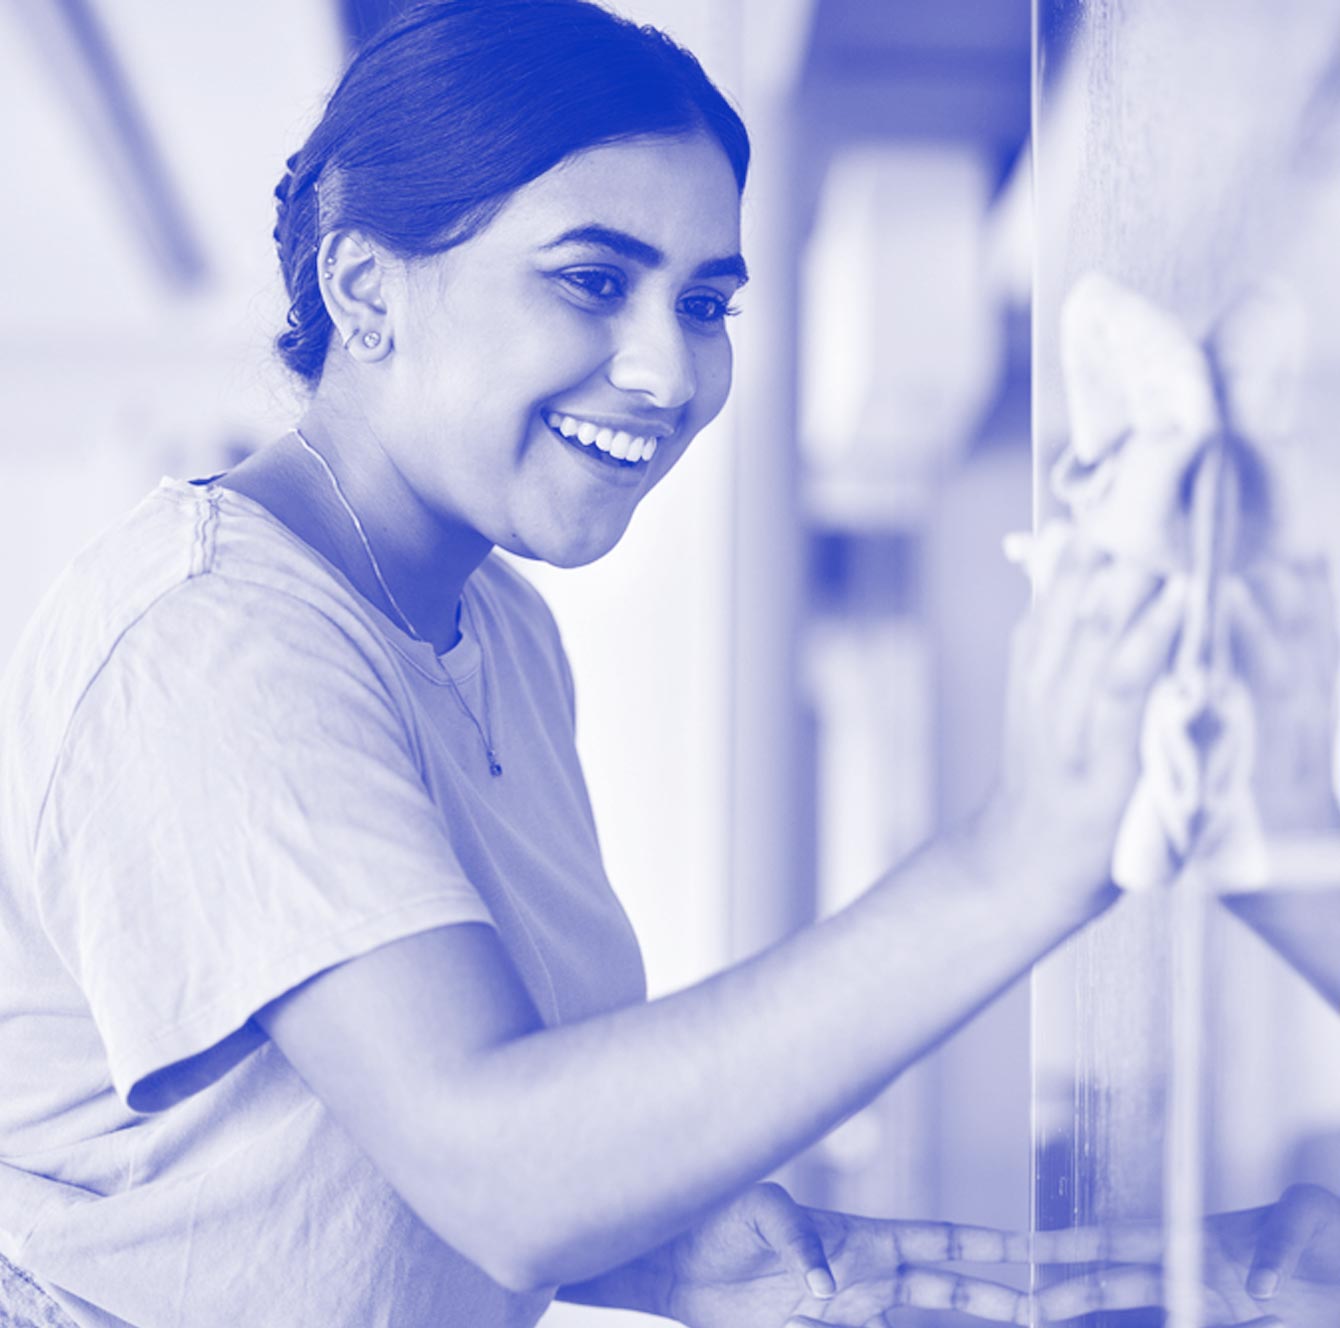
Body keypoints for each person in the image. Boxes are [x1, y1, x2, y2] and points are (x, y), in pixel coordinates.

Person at [0, 1, 1210, 1324]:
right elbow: (499, 1169)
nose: (667, 369)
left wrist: (664, 1244)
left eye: (704, 302)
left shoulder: (493, 624)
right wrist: (1015, 861)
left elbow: (377, 1146)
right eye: (591, 280)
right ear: (365, 291)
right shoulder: (210, 636)